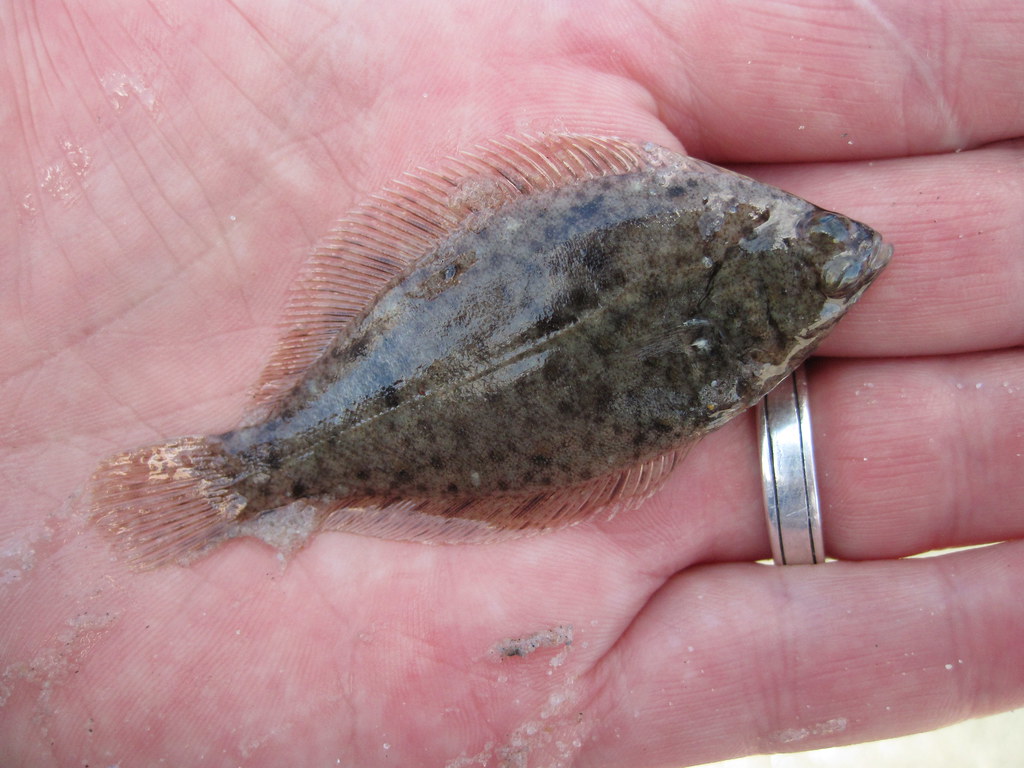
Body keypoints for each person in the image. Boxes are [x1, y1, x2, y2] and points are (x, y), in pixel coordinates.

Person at [1, 1, 1021, 765]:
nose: (847, 263)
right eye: (815, 256)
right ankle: (254, 471)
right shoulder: (699, 241)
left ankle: (266, 469)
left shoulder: (697, 227)